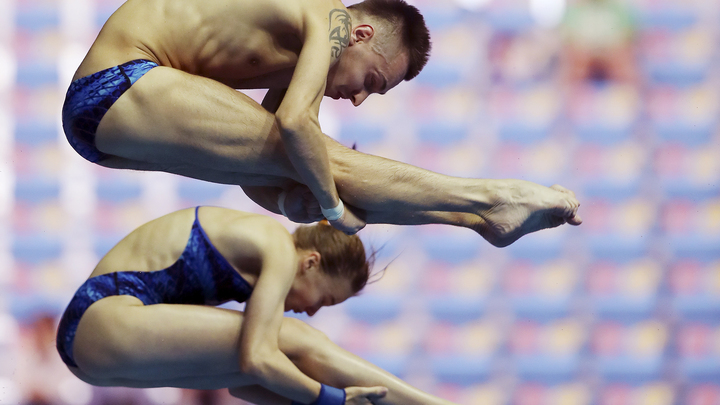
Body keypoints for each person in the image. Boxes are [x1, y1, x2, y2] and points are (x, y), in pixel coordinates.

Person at [62, 0, 582, 244]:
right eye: (371, 81)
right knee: (328, 159)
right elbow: (293, 125)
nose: (357, 99)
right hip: (119, 82)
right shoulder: (328, 18)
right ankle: (490, 200)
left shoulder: (301, 57)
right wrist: (332, 204)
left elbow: (258, 178)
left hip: (108, 131)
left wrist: (296, 201)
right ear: (358, 35)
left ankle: (470, 219)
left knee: (312, 167)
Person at [56, 206, 459, 405]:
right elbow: (256, 360)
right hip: (103, 315)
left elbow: (246, 385)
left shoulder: (267, 264)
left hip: (95, 351)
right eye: (325, 299)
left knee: (287, 367)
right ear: (311, 262)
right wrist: (332, 399)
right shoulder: (277, 247)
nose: (315, 309)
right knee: (296, 341)